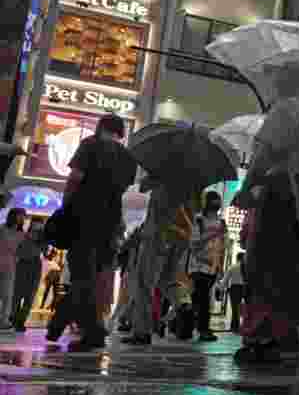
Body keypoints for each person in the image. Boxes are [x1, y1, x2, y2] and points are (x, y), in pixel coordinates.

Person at [231, 61, 299, 363]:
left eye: (278, 78)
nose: (274, 83)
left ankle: (278, 331)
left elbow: (264, 156)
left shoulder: (285, 111)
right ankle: (286, 334)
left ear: (287, 82)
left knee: (262, 264)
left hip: (279, 192)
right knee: (287, 265)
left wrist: (245, 188)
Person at [48, 114, 137, 351]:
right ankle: (64, 322)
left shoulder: (90, 144)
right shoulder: (128, 158)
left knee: (81, 276)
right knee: (91, 277)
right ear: (121, 133)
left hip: (83, 217)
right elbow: (122, 190)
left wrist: (65, 207)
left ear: (100, 128)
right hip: (110, 223)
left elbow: (75, 179)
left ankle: (88, 330)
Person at [123, 178, 202, 345]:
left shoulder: (164, 169)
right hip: (180, 237)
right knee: (168, 278)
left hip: (159, 234)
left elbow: (143, 187)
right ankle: (183, 304)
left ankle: (141, 331)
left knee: (144, 282)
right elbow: (197, 208)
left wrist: (154, 177)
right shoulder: (194, 179)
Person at [188, 192, 227, 342]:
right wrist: (213, 234)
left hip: (213, 268)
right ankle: (203, 329)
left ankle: (192, 325)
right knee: (202, 299)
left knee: (201, 299)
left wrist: (220, 267)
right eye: (214, 200)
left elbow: (222, 247)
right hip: (198, 266)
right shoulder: (199, 220)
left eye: (218, 200)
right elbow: (194, 244)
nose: (217, 203)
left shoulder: (221, 223)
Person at [12, 222, 45, 331]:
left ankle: (21, 320)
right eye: (36, 225)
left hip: (35, 265)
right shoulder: (23, 236)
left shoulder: (42, 239)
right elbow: (17, 251)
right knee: (17, 294)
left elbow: (46, 252)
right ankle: (14, 318)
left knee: (29, 296)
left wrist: (42, 240)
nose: (37, 228)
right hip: (22, 264)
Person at [0, 209, 27, 330]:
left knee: (8, 293)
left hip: (11, 264)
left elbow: (21, 250)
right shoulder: (2, 229)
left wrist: (17, 256)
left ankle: (4, 320)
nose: (23, 218)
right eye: (21, 216)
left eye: (24, 217)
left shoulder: (22, 234)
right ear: (13, 216)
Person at [225, 253, 247, 334]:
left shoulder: (232, 267)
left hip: (234, 289)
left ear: (236, 258)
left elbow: (225, 279)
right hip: (245, 288)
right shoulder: (247, 267)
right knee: (247, 308)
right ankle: (245, 326)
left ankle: (234, 327)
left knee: (235, 309)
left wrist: (221, 288)